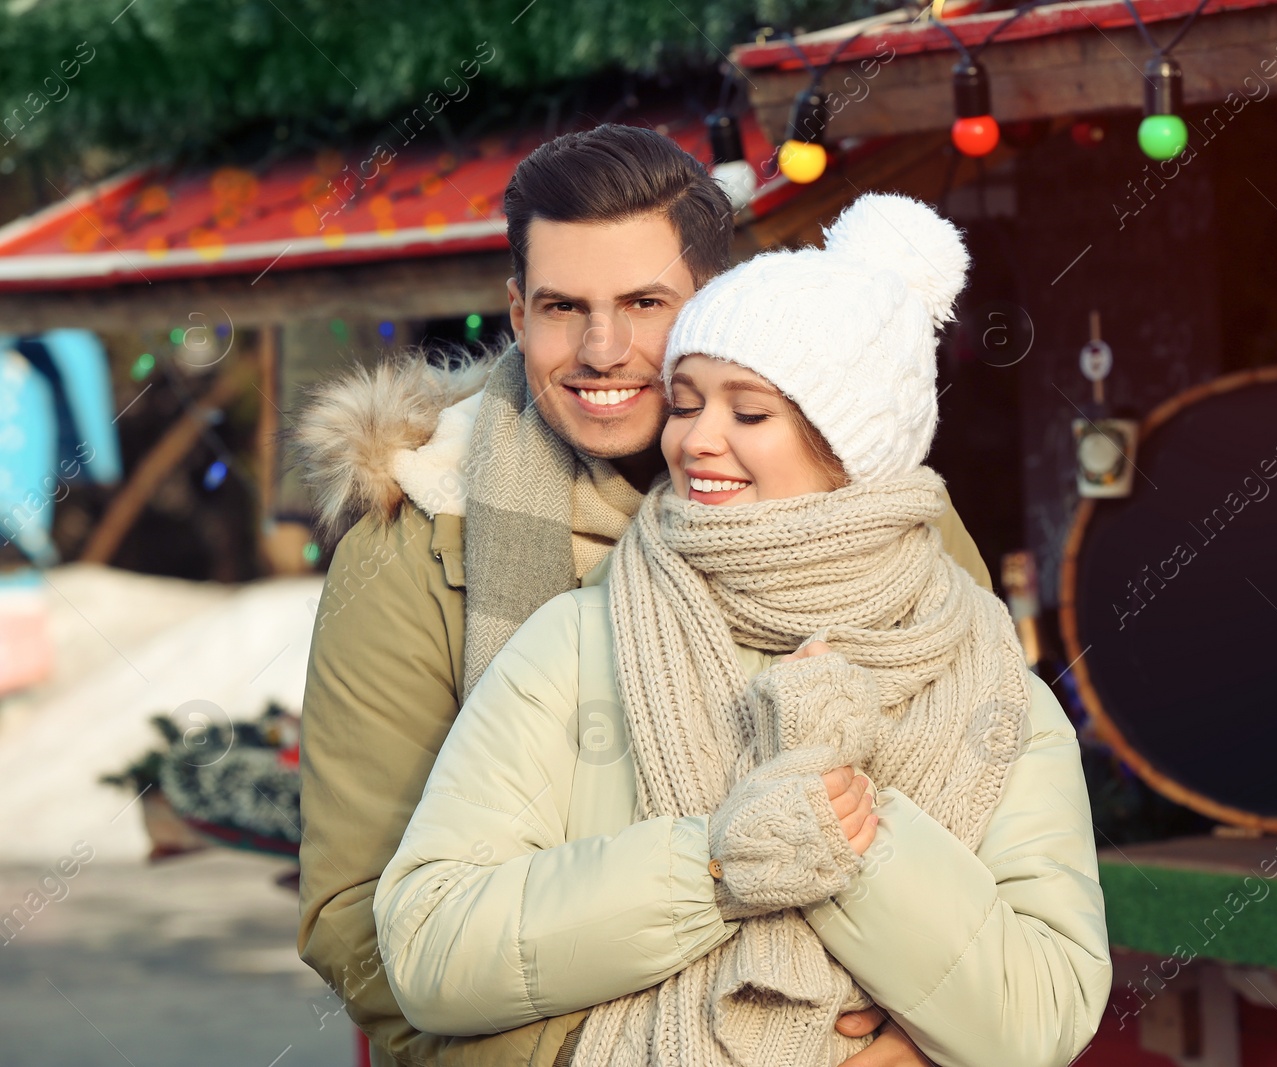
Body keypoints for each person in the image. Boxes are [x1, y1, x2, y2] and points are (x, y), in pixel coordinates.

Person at [293, 126, 993, 1067]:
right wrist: (643, 1049)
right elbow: (361, 920)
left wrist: (921, 1036)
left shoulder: (878, 511)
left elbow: (995, 815)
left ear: (718, 303)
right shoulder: (414, 539)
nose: (602, 348)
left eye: (645, 302)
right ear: (516, 310)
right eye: (561, 307)